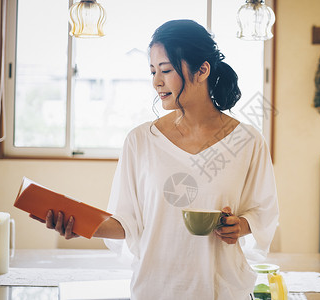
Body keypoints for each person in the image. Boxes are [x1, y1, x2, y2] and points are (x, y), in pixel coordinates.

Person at [36, 19, 279, 299]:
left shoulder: (247, 140)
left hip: (221, 290)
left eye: (165, 70)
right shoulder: (140, 141)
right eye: (152, 71)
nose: (156, 82)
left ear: (202, 70)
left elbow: (263, 212)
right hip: (155, 289)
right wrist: (80, 225)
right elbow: (127, 222)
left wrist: (240, 226)